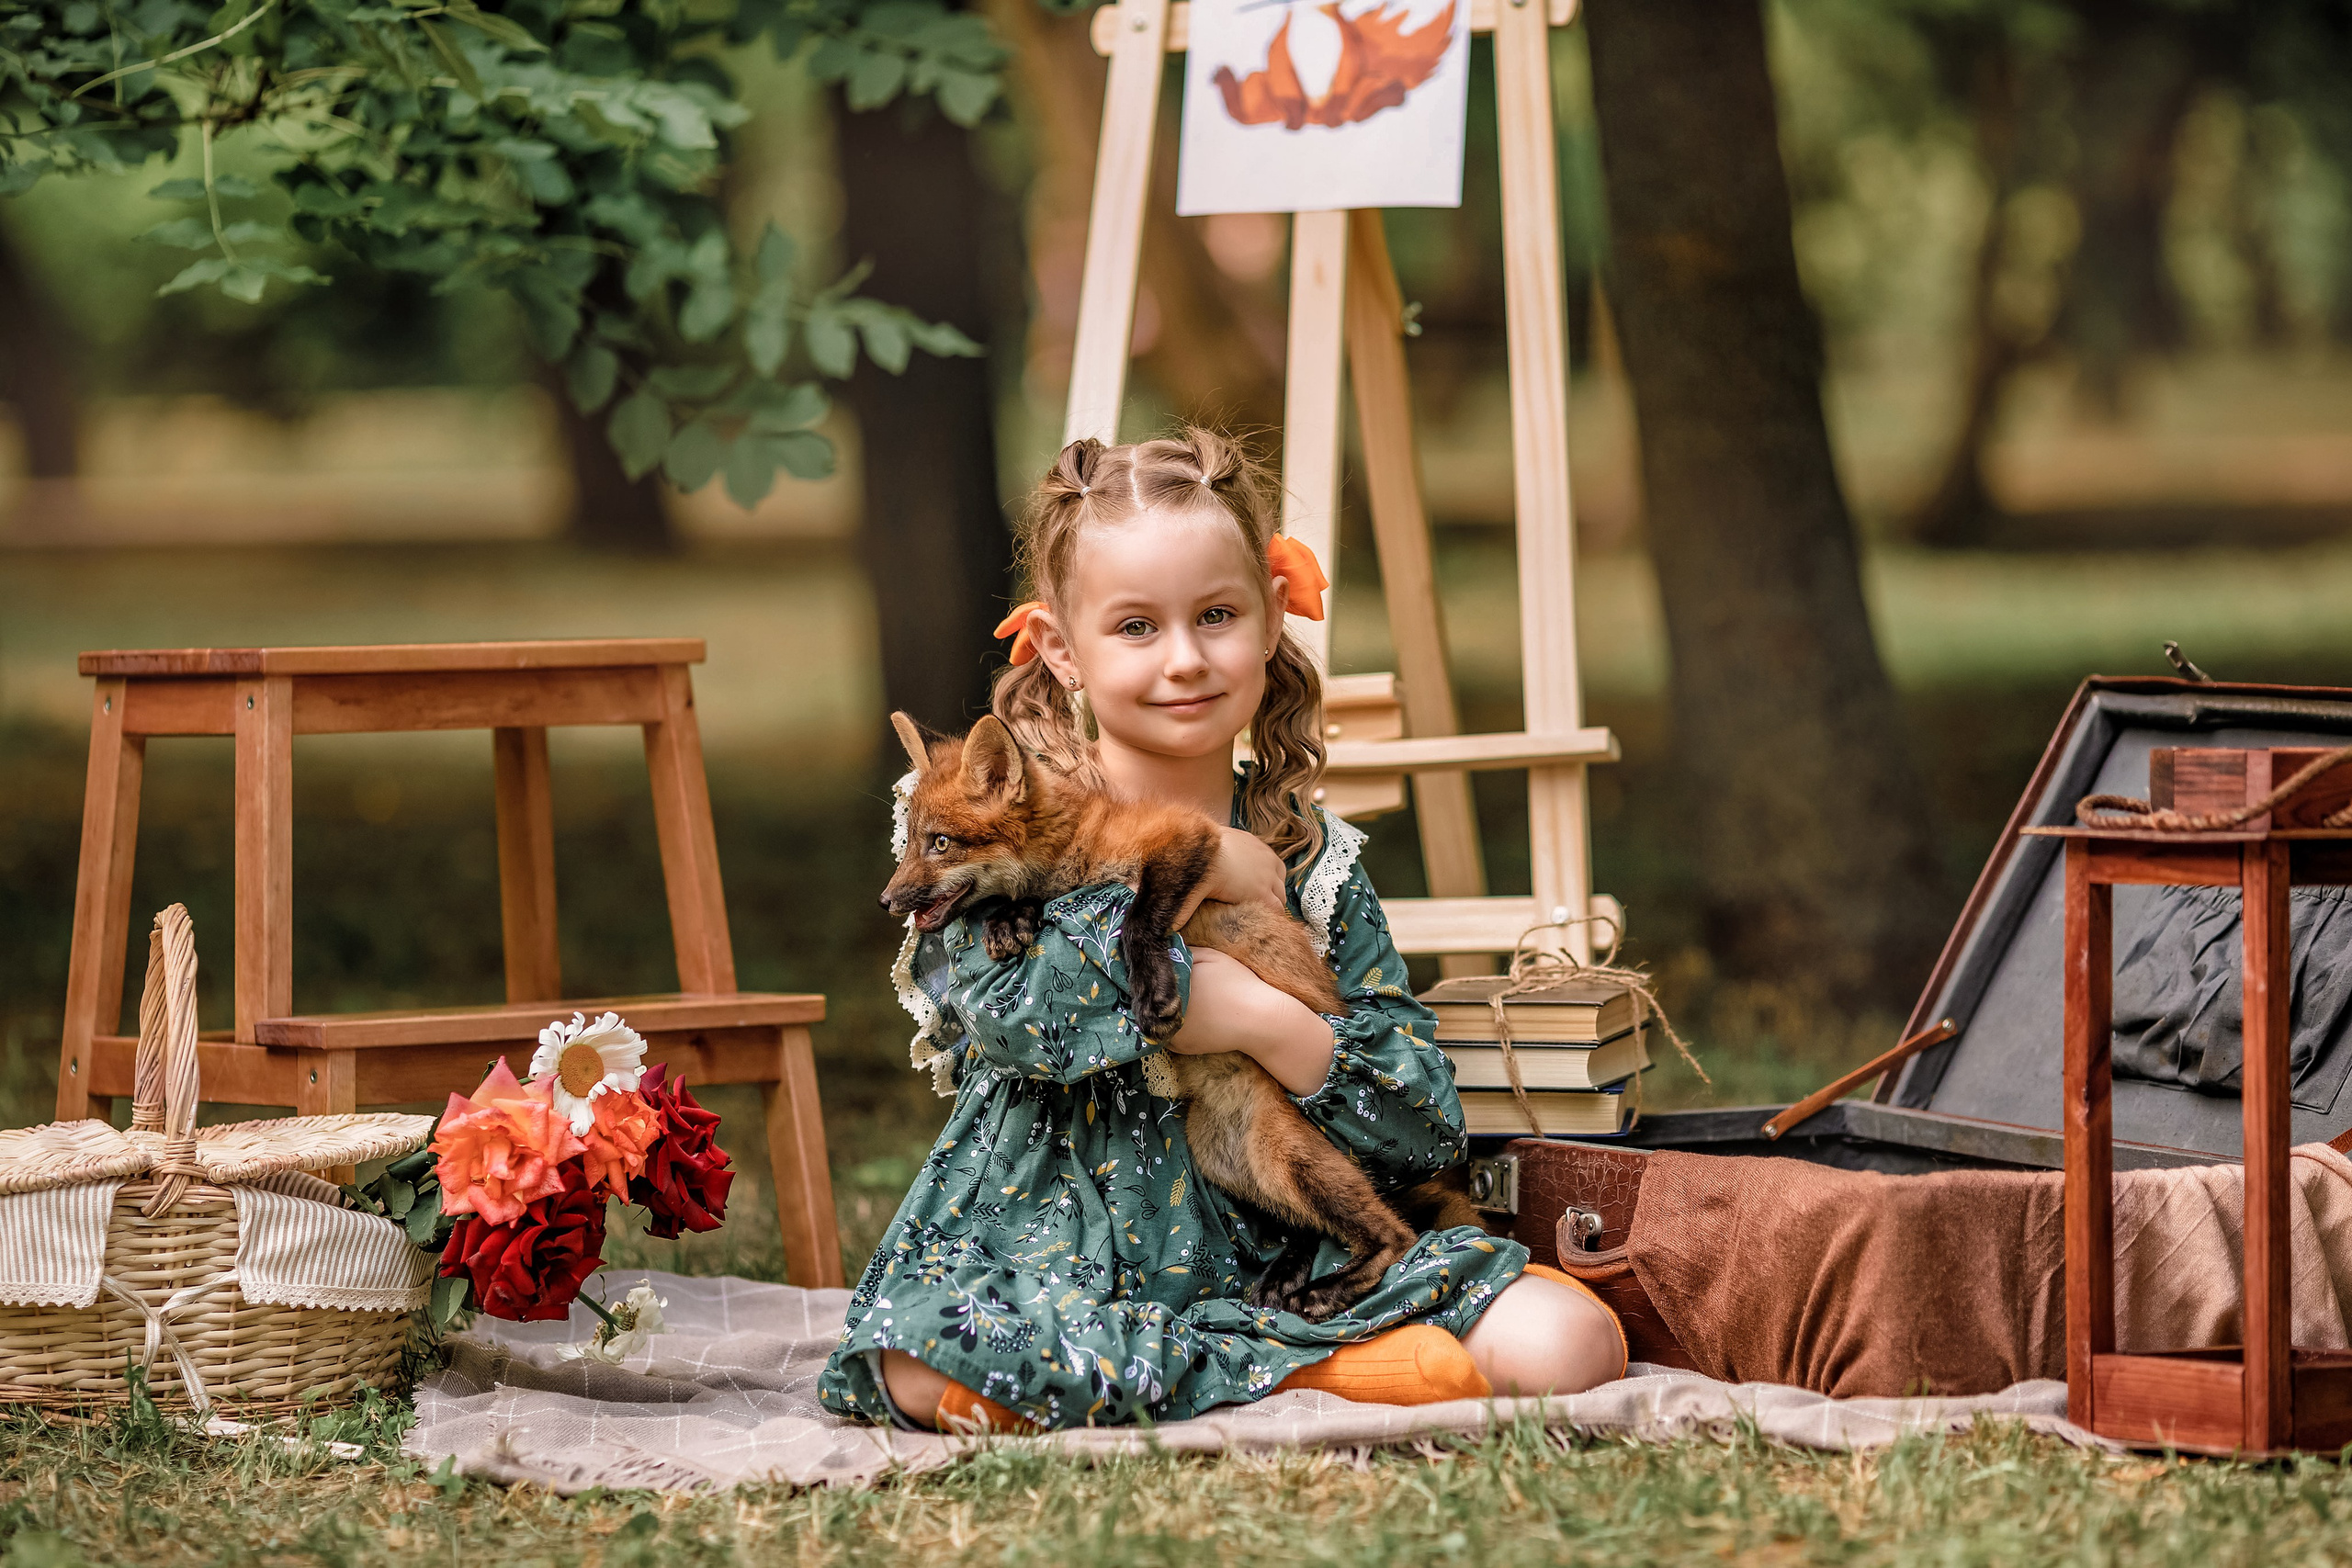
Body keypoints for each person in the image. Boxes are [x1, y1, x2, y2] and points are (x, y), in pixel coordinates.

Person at [818, 428, 1626, 1432]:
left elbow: (1420, 1125)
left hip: (1283, 1245)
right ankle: (1316, 1382)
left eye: (1215, 616)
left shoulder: (1308, 855)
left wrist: (1256, 1018)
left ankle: (1221, 1376)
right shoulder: (991, 823)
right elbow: (1014, 1020)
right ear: (1061, 650)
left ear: (1274, 617)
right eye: (1136, 629)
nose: (1186, 660)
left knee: (1570, 1341)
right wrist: (1200, 883)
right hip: (1062, 1251)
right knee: (913, 1356)